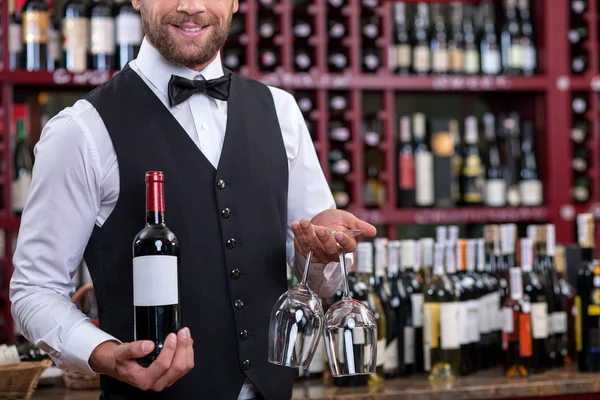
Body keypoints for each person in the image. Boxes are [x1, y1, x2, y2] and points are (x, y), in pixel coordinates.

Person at [9, 0, 377, 399]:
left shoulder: (281, 111)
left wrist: (324, 257)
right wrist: (102, 353)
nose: (191, 7)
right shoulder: (80, 130)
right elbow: (34, 289)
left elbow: (322, 280)